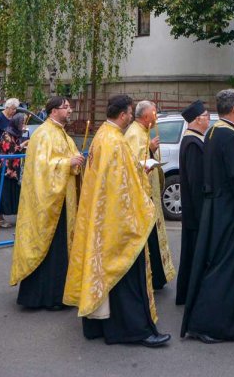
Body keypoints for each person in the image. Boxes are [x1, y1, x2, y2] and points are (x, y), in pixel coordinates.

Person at [64, 94, 170, 347]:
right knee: (126, 273)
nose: (131, 116)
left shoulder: (103, 135)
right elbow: (124, 187)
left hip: (101, 217)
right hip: (117, 221)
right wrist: (143, 197)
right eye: (130, 112)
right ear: (123, 115)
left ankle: (98, 325)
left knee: (105, 272)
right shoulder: (115, 142)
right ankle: (135, 330)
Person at [181, 89, 234, 344]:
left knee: (219, 262)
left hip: (215, 208)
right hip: (229, 211)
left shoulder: (213, 132)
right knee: (226, 266)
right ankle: (210, 324)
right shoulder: (229, 136)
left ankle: (214, 319)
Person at [10, 95, 83, 309]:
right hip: (48, 202)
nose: (70, 110)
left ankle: (58, 293)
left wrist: (77, 162)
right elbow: (41, 167)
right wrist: (67, 162)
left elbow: (70, 159)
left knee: (60, 250)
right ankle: (44, 296)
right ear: (53, 110)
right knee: (51, 249)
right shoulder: (43, 134)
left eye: (70, 107)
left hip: (62, 200)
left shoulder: (61, 133)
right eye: (66, 107)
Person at [124, 99, 176, 290]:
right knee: (148, 237)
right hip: (142, 195)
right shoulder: (134, 134)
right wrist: (150, 150)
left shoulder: (142, 131)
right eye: (154, 113)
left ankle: (156, 276)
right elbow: (133, 164)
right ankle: (151, 277)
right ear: (146, 116)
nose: (156, 116)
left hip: (149, 193)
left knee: (154, 236)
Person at [175, 99, 209, 305]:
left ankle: (187, 293)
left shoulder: (194, 140)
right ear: (197, 120)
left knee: (191, 253)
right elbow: (196, 183)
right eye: (206, 117)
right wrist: (202, 213)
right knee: (194, 253)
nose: (209, 120)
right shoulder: (193, 143)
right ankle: (191, 295)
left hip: (192, 211)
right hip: (196, 212)